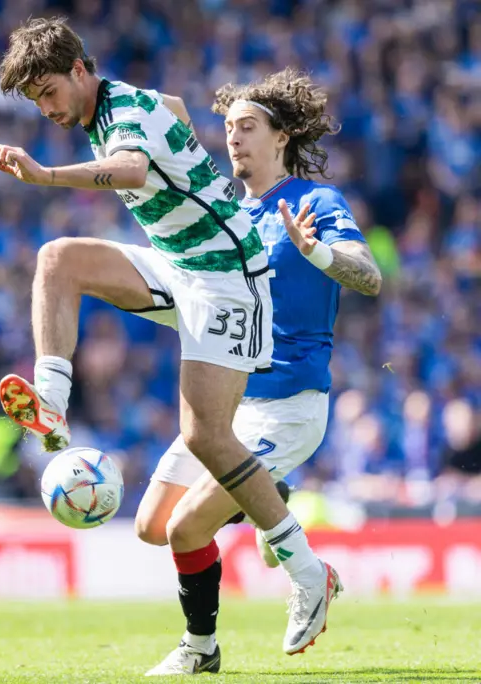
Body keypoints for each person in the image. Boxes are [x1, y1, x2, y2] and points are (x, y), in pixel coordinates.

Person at [0, 18, 335, 656]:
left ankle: (308, 574)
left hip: (231, 278)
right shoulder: (122, 104)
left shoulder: (122, 117)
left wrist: (46, 177)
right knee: (57, 258)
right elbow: (171, 110)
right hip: (181, 264)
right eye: (36, 101)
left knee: (207, 434)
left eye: (48, 92)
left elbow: (127, 168)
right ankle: (51, 405)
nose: (46, 109)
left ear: (79, 71)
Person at [136, 68, 383, 676]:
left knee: (187, 529)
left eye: (248, 127)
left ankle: (203, 647)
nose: (233, 139)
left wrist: (316, 251)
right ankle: (266, 500)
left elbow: (369, 276)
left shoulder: (314, 202)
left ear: (283, 136)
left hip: (291, 403)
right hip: (227, 406)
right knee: (152, 525)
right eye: (227, 129)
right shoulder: (223, 217)